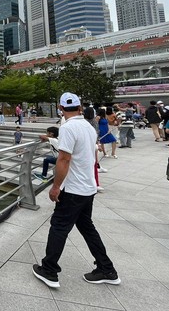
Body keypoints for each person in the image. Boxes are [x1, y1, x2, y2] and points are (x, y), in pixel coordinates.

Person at [33, 92, 120, 288]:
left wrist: (56, 186)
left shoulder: (68, 128)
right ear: (80, 108)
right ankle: (107, 269)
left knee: (59, 226)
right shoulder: (88, 127)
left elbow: (64, 159)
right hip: (87, 187)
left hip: (73, 189)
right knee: (87, 228)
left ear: (60, 109)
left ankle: (49, 270)